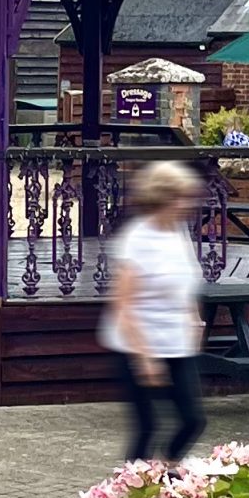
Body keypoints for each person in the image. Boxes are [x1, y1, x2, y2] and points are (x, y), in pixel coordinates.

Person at [100, 157, 207, 464]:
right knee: (147, 427)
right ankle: (130, 490)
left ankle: (168, 470)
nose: (188, 204)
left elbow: (186, 281)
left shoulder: (178, 231)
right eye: (182, 197)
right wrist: (144, 357)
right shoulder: (136, 239)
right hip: (137, 343)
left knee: (193, 420)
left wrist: (195, 319)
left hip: (176, 342)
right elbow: (123, 304)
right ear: (164, 198)